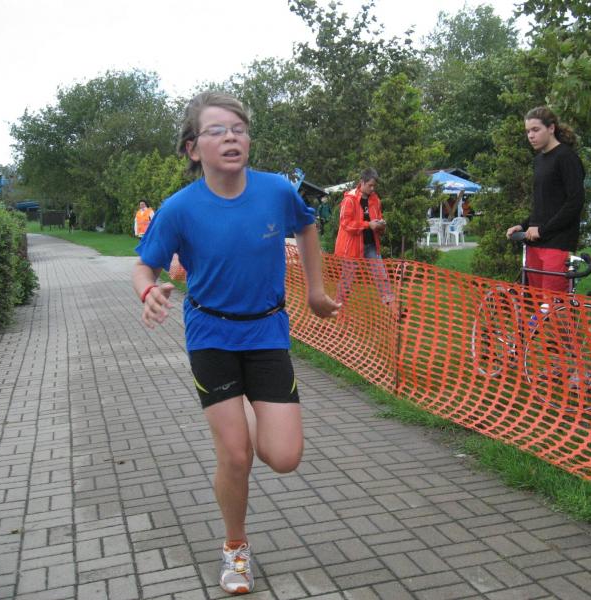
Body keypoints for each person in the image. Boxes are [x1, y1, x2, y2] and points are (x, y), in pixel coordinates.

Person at [132, 91, 339, 595]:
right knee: (236, 455)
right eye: (217, 130)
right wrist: (148, 292)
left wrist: (315, 291)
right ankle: (235, 547)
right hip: (211, 335)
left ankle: (244, 409)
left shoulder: (276, 191)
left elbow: (307, 226)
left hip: (267, 332)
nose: (231, 137)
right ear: (192, 148)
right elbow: (144, 265)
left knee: (283, 456)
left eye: (239, 129)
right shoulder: (179, 209)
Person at [506, 106, 585, 292]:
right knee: (535, 301)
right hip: (535, 242)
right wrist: (523, 225)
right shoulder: (539, 160)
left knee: (553, 303)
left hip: (557, 243)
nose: (531, 136)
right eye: (528, 131)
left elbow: (575, 202)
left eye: (535, 129)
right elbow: (544, 204)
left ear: (551, 128)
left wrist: (542, 230)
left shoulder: (566, 157)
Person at [334, 167, 394, 306]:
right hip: (352, 247)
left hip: (371, 245)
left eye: (374, 186)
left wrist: (380, 225)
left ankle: (392, 308)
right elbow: (346, 224)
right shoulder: (350, 199)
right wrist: (368, 225)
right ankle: (337, 307)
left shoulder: (375, 199)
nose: (372, 188)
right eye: (370, 185)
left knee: (381, 276)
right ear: (362, 182)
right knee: (347, 280)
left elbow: (377, 218)